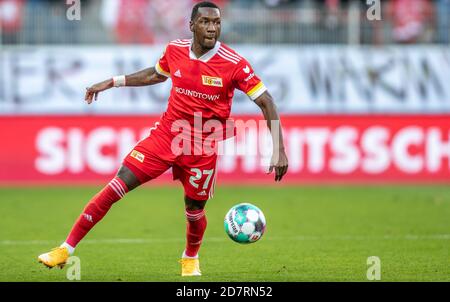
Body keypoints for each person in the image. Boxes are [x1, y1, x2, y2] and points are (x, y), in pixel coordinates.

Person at [37, 1, 288, 277]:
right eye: (205, 22)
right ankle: (65, 249)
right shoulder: (175, 50)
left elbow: (267, 102)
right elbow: (156, 74)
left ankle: (190, 257)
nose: (212, 28)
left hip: (202, 147)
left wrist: (278, 149)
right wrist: (111, 82)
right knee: (117, 183)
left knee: (194, 210)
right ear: (192, 25)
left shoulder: (234, 63)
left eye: (216, 23)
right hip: (166, 136)